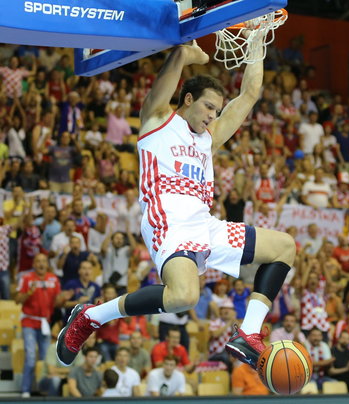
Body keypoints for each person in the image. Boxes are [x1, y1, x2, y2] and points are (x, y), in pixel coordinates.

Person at [56, 40, 296, 371]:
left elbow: (250, 95)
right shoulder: (157, 121)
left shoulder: (209, 137)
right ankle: (91, 316)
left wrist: (256, 44)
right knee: (184, 297)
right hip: (167, 219)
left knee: (285, 247)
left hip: (204, 223)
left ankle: (249, 334)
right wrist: (186, 51)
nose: (213, 116)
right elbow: (175, 63)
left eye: (217, 110)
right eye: (209, 107)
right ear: (187, 100)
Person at [15, 253, 62, 398]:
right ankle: (26, 390)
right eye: (38, 261)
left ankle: (44, 389)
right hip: (29, 321)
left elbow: (58, 303)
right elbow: (17, 300)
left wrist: (65, 298)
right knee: (30, 357)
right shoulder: (27, 278)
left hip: (45, 323)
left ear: (47, 264)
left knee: (45, 357)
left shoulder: (53, 279)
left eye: (44, 261)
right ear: (34, 264)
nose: (41, 264)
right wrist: (29, 292)